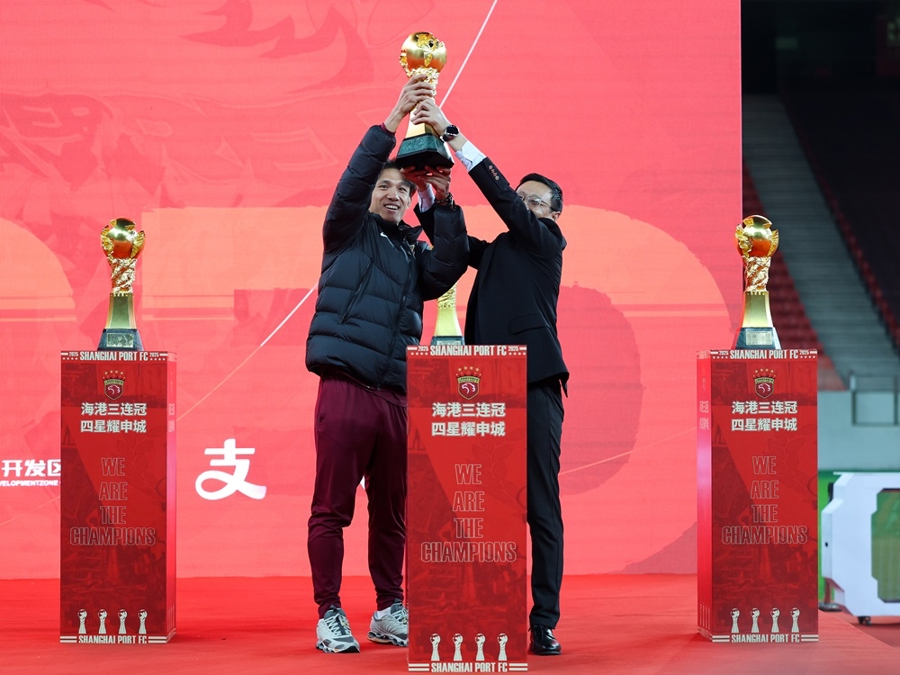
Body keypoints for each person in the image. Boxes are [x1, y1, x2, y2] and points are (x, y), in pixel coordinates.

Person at [304, 75, 468, 654]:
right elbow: (351, 184)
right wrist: (394, 120)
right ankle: (329, 612)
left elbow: (450, 265)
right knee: (332, 509)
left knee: (393, 515)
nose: (395, 194)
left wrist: (442, 197)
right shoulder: (346, 231)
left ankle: (389, 608)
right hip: (346, 387)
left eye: (404, 188)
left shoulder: (414, 252)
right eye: (386, 185)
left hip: (397, 395)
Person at [410, 100, 569, 656]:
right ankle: (482, 605)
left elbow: (503, 202)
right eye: (521, 198)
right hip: (487, 388)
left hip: (534, 383)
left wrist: (455, 138)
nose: (523, 206)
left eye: (534, 202)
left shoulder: (546, 244)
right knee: (483, 502)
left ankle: (543, 619)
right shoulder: (503, 250)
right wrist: (435, 197)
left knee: (541, 506)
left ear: (552, 216)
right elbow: (456, 248)